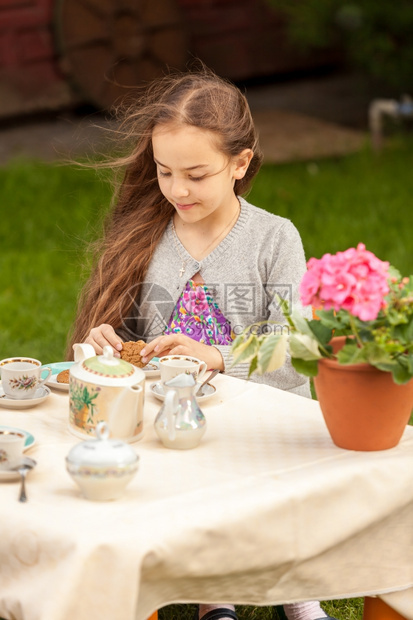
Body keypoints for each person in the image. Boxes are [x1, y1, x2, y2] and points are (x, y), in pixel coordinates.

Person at [67, 66, 337, 620]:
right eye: (165, 173)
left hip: (263, 413)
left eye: (196, 174)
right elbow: (140, 338)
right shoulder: (149, 234)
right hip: (178, 418)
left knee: (260, 485)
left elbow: (298, 340)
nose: (177, 190)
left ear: (240, 164)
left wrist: (218, 356)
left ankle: (295, 593)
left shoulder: (273, 237)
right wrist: (111, 341)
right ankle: (216, 597)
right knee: (199, 480)